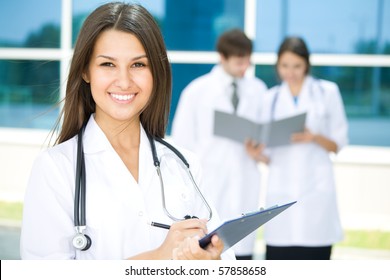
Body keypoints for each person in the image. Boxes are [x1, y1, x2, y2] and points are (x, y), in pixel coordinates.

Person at [20, 2, 235, 260]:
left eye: (138, 65)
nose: (123, 81)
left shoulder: (183, 164)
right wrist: (160, 256)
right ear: (86, 71)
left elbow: (224, 259)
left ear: (156, 72)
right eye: (108, 64)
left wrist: (210, 261)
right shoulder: (55, 169)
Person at [171, 29, 268, 260]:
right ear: (222, 57)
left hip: (245, 180)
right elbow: (182, 144)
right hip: (210, 185)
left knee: (242, 257)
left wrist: (259, 149)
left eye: (247, 60)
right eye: (238, 61)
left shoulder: (259, 90)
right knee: (209, 253)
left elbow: (265, 136)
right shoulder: (197, 91)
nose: (244, 67)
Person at [259, 36, 348, 260]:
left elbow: (338, 144)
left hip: (315, 190)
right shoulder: (270, 99)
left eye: (297, 66)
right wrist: (255, 152)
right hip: (281, 190)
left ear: (307, 64)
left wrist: (314, 137)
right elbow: (268, 154)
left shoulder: (327, 92)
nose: (291, 72)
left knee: (315, 261)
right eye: (285, 66)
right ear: (277, 66)